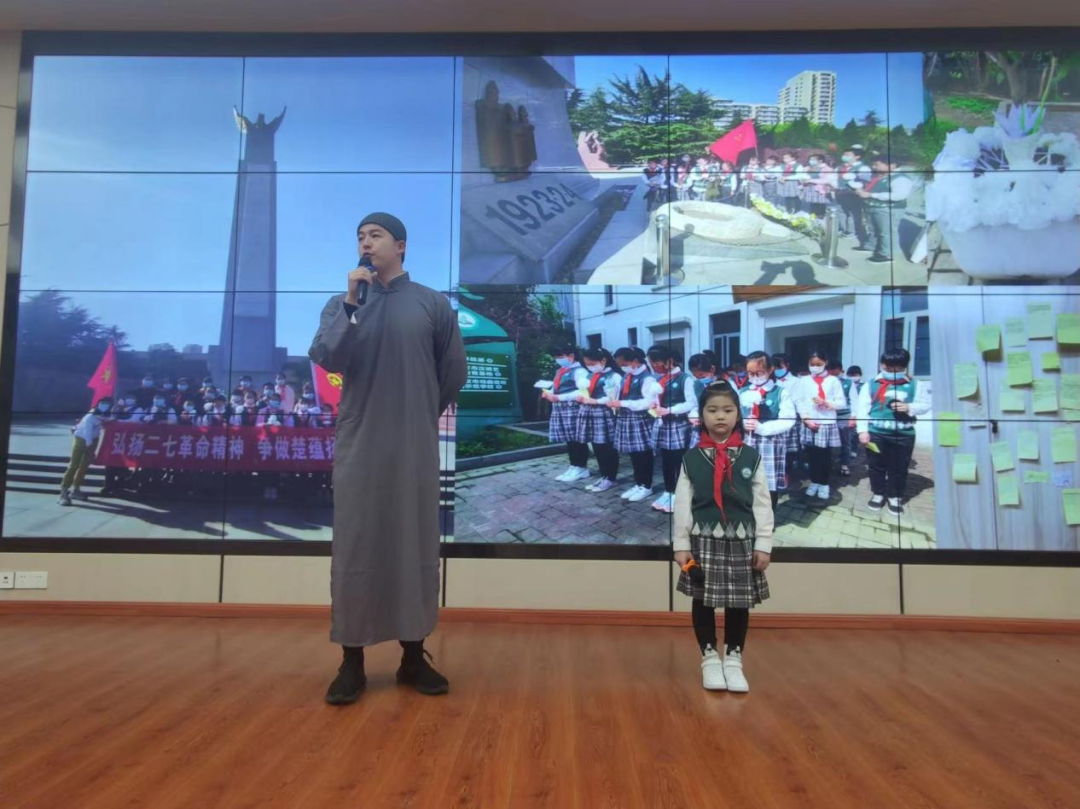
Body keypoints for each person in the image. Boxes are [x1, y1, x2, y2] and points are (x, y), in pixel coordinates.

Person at [309, 211, 467, 706]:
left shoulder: (431, 303)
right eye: (360, 236)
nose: (366, 242)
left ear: (400, 246)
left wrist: (419, 412)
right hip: (360, 442)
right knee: (356, 544)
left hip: (413, 444)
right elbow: (328, 358)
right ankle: (351, 661)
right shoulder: (342, 303)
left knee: (413, 542)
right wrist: (352, 302)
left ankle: (413, 656)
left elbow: (453, 371)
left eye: (375, 235)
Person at [673, 382, 772, 693]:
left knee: (738, 603)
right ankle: (709, 658)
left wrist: (764, 544)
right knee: (703, 600)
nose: (720, 416)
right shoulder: (691, 458)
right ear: (701, 415)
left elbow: (762, 503)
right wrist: (681, 545)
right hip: (703, 541)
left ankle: (733, 659)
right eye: (712, 410)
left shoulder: (751, 456)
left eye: (728, 410)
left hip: (742, 542)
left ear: (738, 415)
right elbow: (682, 504)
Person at [855, 348, 931, 517]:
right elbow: (862, 409)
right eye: (888, 368)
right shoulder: (871, 384)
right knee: (876, 465)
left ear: (904, 367)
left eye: (897, 368)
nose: (891, 371)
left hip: (903, 435)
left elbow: (925, 405)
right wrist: (862, 431)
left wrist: (910, 407)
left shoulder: (915, 384)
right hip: (876, 433)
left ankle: (895, 496)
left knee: (899, 467)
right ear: (882, 364)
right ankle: (878, 493)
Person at [739, 352, 797, 509]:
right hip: (747, 441)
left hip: (770, 442)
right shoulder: (743, 392)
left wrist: (762, 428)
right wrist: (742, 423)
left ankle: (767, 516)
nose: (754, 377)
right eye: (750, 373)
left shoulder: (780, 392)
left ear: (770, 370)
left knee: (768, 482)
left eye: (759, 373)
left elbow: (788, 419)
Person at [647, 345, 695, 514]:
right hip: (663, 424)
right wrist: (653, 405)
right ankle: (668, 491)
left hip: (677, 424)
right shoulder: (660, 379)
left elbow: (691, 403)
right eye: (652, 363)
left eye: (657, 363)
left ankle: (680, 494)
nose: (654, 366)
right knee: (666, 460)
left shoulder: (685, 379)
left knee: (678, 460)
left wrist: (669, 410)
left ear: (669, 361)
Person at [795, 351, 847, 503]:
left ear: (826, 363)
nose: (815, 367)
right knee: (812, 456)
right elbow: (799, 401)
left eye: (819, 364)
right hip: (809, 422)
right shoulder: (804, 381)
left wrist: (826, 403)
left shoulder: (833, 381)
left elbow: (842, 403)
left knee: (824, 456)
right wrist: (805, 418)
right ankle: (814, 481)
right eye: (812, 364)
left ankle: (824, 484)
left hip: (826, 422)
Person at [610, 347, 659, 503]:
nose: (622, 367)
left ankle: (647, 486)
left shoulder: (648, 379)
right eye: (620, 365)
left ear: (635, 361)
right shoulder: (627, 376)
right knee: (633, 454)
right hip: (627, 418)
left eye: (624, 364)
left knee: (644, 454)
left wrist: (623, 403)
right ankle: (638, 483)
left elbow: (648, 402)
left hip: (640, 420)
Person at [542, 344, 591, 484]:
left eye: (560, 356)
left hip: (573, 408)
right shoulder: (561, 371)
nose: (558, 359)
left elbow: (582, 391)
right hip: (561, 408)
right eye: (556, 357)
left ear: (571, 356)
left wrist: (559, 397)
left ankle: (581, 467)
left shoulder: (580, 371)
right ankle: (574, 465)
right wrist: (549, 393)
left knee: (577, 439)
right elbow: (555, 387)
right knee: (569, 439)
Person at [576, 348, 622, 493]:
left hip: (603, 412)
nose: (589, 366)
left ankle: (610, 477)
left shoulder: (613, 376)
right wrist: (581, 397)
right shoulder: (590, 376)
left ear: (603, 360)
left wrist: (595, 401)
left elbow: (614, 397)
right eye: (587, 364)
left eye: (592, 363)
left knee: (606, 446)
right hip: (588, 411)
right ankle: (604, 475)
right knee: (596, 445)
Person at [858, 153, 916, 264]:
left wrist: (871, 195)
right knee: (873, 229)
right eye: (874, 165)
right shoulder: (880, 176)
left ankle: (886, 254)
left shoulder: (900, 178)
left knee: (886, 232)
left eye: (877, 165)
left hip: (888, 209)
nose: (874, 167)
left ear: (892, 165)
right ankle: (871, 246)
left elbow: (899, 195)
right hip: (873, 207)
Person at [59, 398, 113, 506]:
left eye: (107, 404)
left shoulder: (103, 415)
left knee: (84, 466)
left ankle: (76, 490)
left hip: (94, 440)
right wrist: (90, 447)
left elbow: (109, 420)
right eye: (102, 403)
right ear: (98, 404)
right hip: (82, 439)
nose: (104, 405)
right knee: (74, 465)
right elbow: (87, 432)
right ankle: (63, 493)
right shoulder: (90, 416)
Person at [836, 145, 872, 249]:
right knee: (841, 212)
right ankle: (844, 229)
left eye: (848, 154)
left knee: (853, 213)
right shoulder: (840, 167)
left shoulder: (863, 168)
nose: (845, 156)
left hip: (854, 194)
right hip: (840, 193)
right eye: (844, 154)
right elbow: (834, 178)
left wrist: (855, 185)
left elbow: (865, 182)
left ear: (857, 156)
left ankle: (851, 231)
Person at [827, 359, 855, 477]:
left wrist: (853, 416)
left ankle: (845, 464)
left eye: (833, 369)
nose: (830, 372)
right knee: (828, 442)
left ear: (839, 369)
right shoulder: (826, 381)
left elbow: (854, 400)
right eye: (829, 369)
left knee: (845, 442)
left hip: (844, 416)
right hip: (828, 416)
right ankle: (829, 463)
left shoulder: (848, 383)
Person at [845, 365, 866, 464]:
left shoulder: (864, 385)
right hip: (850, 411)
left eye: (855, 375)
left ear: (860, 375)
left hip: (861, 410)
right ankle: (849, 450)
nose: (853, 377)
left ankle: (854, 449)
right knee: (850, 432)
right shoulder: (847, 384)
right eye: (850, 375)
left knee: (857, 431)